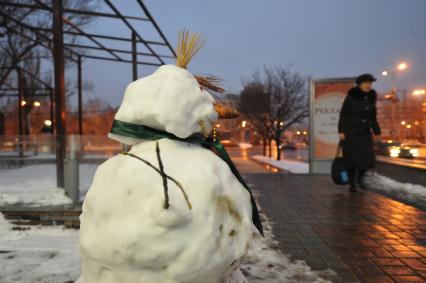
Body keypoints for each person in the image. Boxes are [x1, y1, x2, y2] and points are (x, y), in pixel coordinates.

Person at [338, 74, 381, 192]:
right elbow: (343, 114)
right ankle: (352, 183)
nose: (368, 85)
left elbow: (373, 115)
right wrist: (341, 131)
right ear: (359, 84)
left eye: (370, 83)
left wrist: (376, 128)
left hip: (365, 133)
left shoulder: (372, 96)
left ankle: (360, 180)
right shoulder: (352, 96)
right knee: (352, 160)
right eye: (366, 83)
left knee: (366, 159)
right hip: (351, 133)